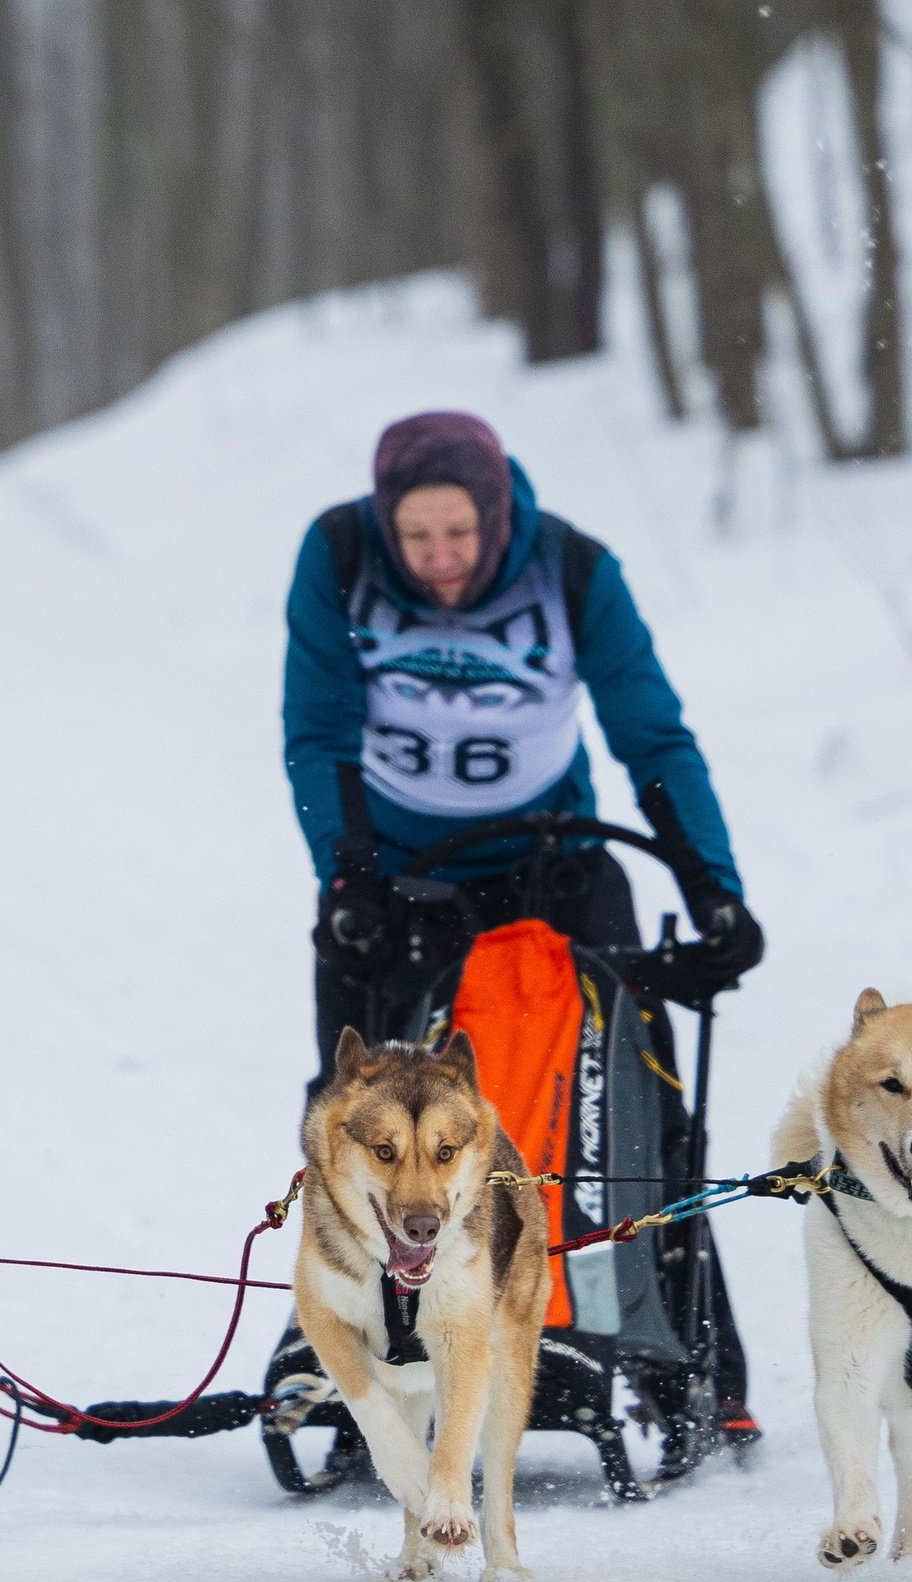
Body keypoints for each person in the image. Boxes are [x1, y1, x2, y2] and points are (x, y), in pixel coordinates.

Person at [281, 409, 764, 1443]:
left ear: (498, 516)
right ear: (384, 523)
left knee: (639, 1104)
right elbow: (317, 729)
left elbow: (650, 731)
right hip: (398, 876)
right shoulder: (338, 554)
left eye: (459, 533)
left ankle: (695, 1358)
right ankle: (349, 1354)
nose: (439, 558)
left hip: (556, 865)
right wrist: (348, 877)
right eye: (416, 537)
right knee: (353, 1116)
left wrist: (712, 885)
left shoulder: (571, 567)